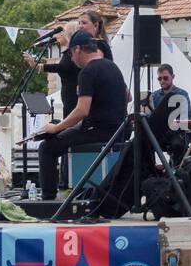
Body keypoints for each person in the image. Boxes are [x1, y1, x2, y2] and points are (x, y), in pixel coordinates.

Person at [36, 30, 128, 200]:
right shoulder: (113, 67)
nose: (71, 59)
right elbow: (128, 97)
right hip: (118, 131)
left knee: (46, 148)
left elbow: (82, 110)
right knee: (62, 134)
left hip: (98, 131)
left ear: (78, 49)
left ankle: (48, 200)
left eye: (70, 53)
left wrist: (56, 127)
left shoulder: (87, 72)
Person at [149, 64, 191, 130]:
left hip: (176, 134)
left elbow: (186, 119)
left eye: (165, 78)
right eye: (159, 79)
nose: (162, 81)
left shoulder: (182, 94)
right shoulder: (154, 96)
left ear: (173, 76)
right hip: (158, 134)